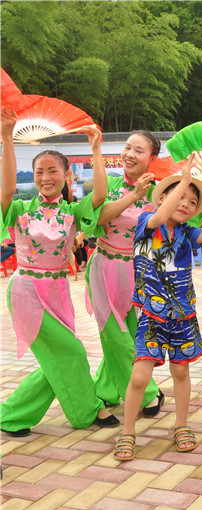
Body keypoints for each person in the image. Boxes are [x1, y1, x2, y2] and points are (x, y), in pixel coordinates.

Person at [87, 131, 202, 416]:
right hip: (107, 266)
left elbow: (195, 205)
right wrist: (134, 196)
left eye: (138, 151)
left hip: (140, 272)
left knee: (127, 333)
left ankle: (107, 387)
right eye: (127, 147)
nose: (130, 154)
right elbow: (98, 217)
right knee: (113, 332)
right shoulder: (110, 186)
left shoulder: (163, 191)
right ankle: (148, 393)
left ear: (151, 158)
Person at [0, 106, 118, 436]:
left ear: (66, 175)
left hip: (58, 292)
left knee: (58, 358)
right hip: (26, 291)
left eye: (53, 170)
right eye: (39, 171)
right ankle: (86, 411)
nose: (46, 177)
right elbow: (6, 190)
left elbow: (100, 194)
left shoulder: (72, 211)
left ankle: (10, 416)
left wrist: (96, 150)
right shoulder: (20, 209)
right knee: (73, 351)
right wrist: (7, 137)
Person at [113, 161, 202, 460]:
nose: (185, 204)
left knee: (181, 372)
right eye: (179, 197)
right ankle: (128, 432)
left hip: (183, 315)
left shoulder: (187, 233)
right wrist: (185, 181)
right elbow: (160, 214)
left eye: (193, 202)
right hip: (152, 315)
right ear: (162, 198)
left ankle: (182, 425)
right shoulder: (147, 222)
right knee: (140, 378)